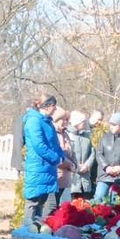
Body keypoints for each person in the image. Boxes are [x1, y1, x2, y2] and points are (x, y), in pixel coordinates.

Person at [21, 95, 73, 224]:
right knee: (33, 201)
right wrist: (57, 159)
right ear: (48, 106)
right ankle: (26, 233)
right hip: (38, 167)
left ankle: (36, 232)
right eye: (54, 107)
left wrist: (62, 157)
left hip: (47, 169)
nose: (55, 111)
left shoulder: (47, 121)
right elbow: (40, 146)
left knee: (41, 203)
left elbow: (54, 144)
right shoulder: (33, 121)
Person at [93, 113, 120, 200]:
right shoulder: (105, 137)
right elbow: (99, 153)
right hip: (104, 175)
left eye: (114, 125)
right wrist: (106, 167)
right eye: (110, 124)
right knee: (98, 198)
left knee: (116, 201)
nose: (111, 126)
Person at [43, 109, 75, 216]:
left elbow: (70, 153)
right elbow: (54, 154)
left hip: (65, 177)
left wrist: (73, 164)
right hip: (54, 175)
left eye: (67, 120)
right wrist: (68, 164)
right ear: (56, 120)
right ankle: (42, 228)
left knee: (59, 208)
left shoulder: (66, 135)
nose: (66, 122)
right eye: (63, 120)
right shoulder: (52, 134)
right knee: (51, 206)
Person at [66, 111, 95, 200]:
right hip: (72, 179)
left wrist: (87, 165)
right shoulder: (67, 135)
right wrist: (76, 166)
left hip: (85, 178)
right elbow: (66, 154)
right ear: (77, 122)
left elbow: (92, 152)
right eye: (83, 122)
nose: (85, 123)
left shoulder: (87, 136)